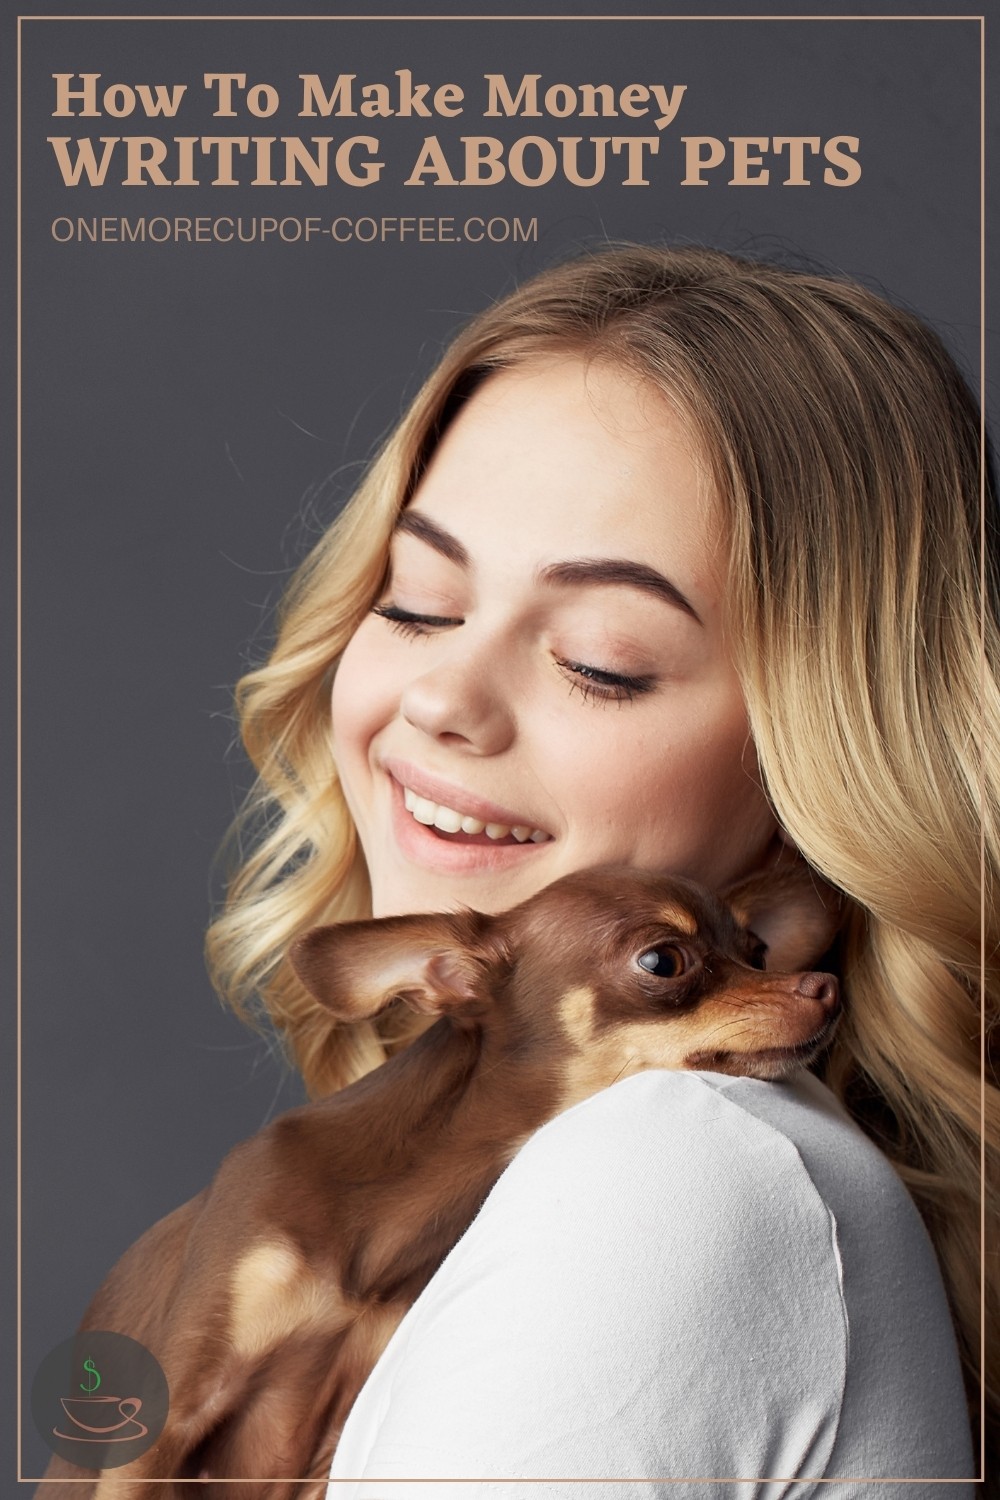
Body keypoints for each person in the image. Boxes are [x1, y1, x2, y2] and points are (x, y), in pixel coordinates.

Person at [205, 245, 997, 1493]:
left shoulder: (680, 1171)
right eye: (415, 602)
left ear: (822, 764)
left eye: (599, 661)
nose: (444, 698)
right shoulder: (596, 1170)